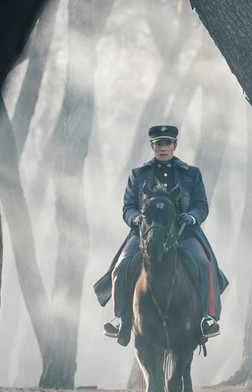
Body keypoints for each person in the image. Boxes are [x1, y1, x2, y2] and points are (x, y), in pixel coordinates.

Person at [93, 125, 228, 346]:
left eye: (167, 144)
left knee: (205, 264)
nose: (163, 148)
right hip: (145, 234)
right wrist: (136, 219)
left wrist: (192, 218)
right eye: (159, 144)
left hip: (184, 234)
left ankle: (207, 318)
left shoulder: (191, 173)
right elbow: (128, 207)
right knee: (122, 265)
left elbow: (201, 205)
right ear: (152, 146)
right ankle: (121, 319)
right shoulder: (138, 174)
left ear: (174, 145)